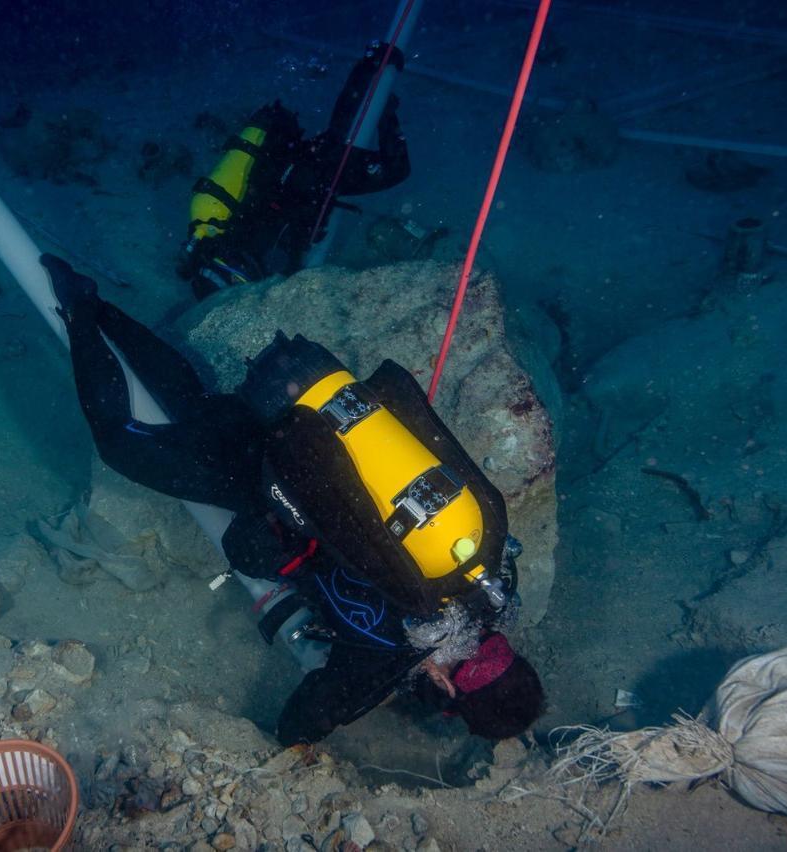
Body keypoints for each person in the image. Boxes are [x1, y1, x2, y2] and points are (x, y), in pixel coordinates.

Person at [43, 254, 544, 745]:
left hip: (320, 418)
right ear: (446, 684)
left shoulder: (494, 578)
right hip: (271, 469)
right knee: (121, 443)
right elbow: (304, 720)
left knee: (192, 409)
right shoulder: (390, 652)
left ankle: (98, 305)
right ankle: (79, 311)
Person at [180, 42, 412, 299]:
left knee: (375, 156)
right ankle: (374, 80)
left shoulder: (240, 249)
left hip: (305, 179)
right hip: (294, 176)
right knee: (342, 139)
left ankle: (373, 71)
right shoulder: (219, 243)